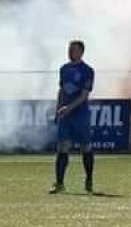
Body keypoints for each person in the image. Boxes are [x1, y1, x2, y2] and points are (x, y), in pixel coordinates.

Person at [50, 40, 95, 195]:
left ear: (81, 52)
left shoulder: (88, 71)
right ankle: (60, 183)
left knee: (85, 148)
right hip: (65, 114)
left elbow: (84, 95)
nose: (70, 52)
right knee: (62, 147)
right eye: (69, 49)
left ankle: (89, 179)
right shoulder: (63, 69)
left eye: (73, 50)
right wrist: (57, 110)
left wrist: (68, 108)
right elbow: (61, 91)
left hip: (80, 115)